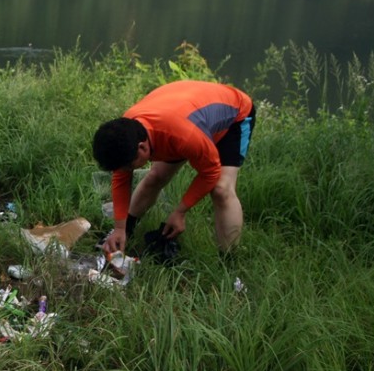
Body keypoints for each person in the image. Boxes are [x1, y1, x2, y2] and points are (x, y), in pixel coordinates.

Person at [92, 80, 255, 254]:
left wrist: (180, 212)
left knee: (221, 190)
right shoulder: (126, 133)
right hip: (185, 115)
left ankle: (229, 259)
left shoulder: (184, 136)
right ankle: (126, 232)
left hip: (234, 116)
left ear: (142, 147)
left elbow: (210, 172)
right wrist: (119, 227)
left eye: (128, 166)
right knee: (156, 176)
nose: (125, 171)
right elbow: (121, 178)